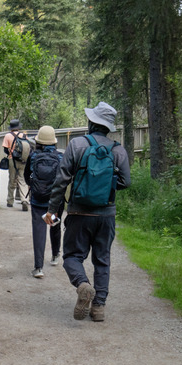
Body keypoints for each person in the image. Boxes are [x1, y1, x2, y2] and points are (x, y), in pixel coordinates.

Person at [43, 101, 131, 322]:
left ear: (92, 123)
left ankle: (83, 284)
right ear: (108, 126)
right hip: (106, 215)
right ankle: (99, 307)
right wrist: (106, 187)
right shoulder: (118, 150)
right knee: (102, 260)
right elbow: (125, 182)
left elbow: (60, 181)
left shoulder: (76, 145)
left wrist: (53, 211)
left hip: (79, 214)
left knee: (72, 256)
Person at [24, 126, 65, 279]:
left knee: (39, 231)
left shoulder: (33, 156)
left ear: (39, 141)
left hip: (38, 200)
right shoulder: (60, 157)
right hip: (55, 201)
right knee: (54, 225)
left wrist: (34, 187)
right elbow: (64, 178)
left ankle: (38, 267)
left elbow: (26, 175)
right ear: (53, 142)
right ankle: (55, 256)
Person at [2, 119, 29, 211]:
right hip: (23, 161)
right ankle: (24, 199)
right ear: (18, 127)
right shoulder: (24, 135)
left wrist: (10, 152)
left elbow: (5, 149)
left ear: (11, 128)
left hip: (12, 160)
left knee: (12, 180)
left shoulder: (8, 136)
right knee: (22, 180)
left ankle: (10, 201)